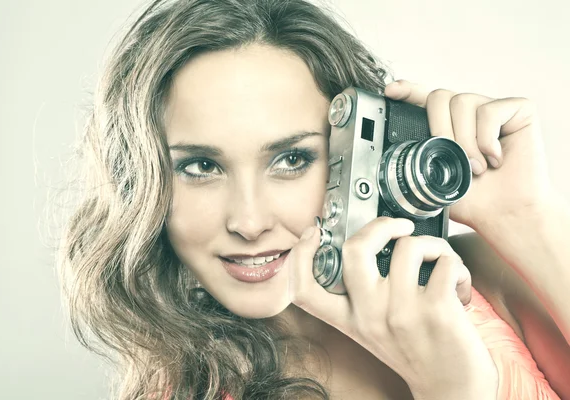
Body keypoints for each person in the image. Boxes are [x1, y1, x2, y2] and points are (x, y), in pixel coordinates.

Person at [56, 0, 570, 399]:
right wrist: (454, 390)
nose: (249, 221)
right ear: (143, 186)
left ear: (361, 149)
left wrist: (528, 222)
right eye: (201, 167)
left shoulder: (483, 280)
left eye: (291, 160)